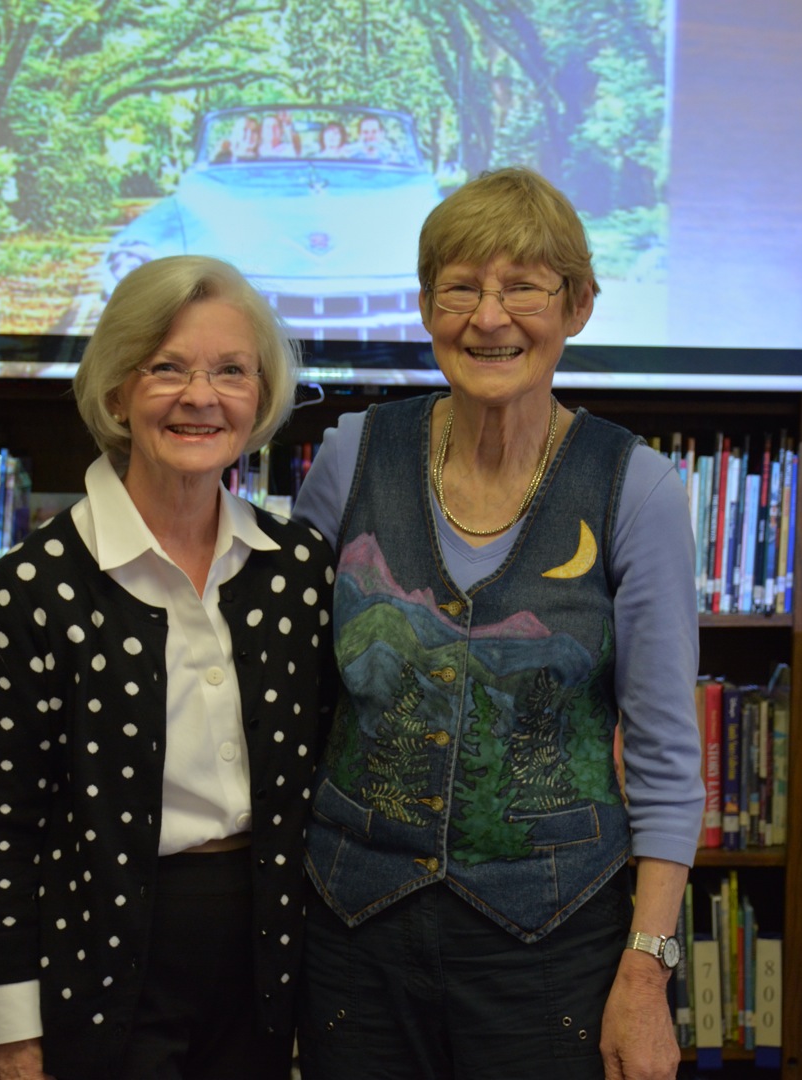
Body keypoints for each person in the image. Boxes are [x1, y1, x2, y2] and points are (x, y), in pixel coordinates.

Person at [293, 167, 702, 1080]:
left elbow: (669, 759)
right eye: (461, 288)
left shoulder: (637, 489)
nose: (490, 316)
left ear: (579, 306)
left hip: (550, 946)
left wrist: (646, 974)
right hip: (353, 933)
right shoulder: (352, 456)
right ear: (427, 306)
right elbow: (287, 685)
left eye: (524, 285)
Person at [0, 254, 336, 1080]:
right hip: (100, 971)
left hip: (275, 962)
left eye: (231, 371)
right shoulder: (34, 585)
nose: (201, 397)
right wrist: (16, 1042)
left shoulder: (298, 567)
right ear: (118, 390)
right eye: (168, 368)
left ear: (261, 396)